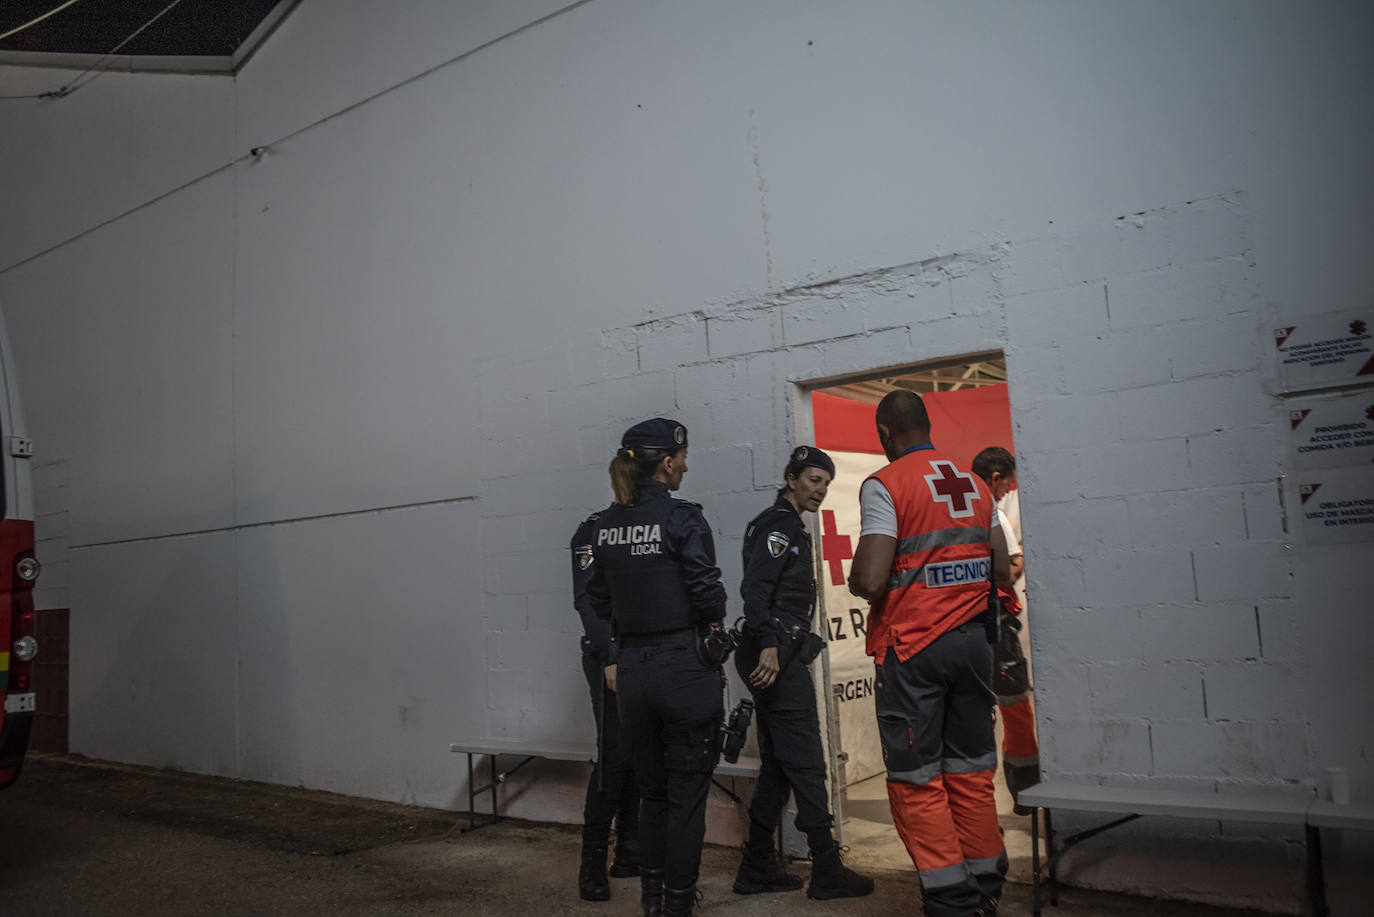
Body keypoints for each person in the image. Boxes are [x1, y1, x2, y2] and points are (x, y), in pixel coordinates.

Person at [847, 390, 1009, 917]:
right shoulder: (975, 484)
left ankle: (950, 901)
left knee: (918, 780)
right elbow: (1002, 572)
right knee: (971, 771)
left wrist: (860, 575)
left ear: (884, 435)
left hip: (915, 648)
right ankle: (985, 889)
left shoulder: (886, 484)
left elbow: (871, 579)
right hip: (973, 646)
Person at [586, 418, 728, 917]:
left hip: (633, 677)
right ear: (667, 463)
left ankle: (651, 902)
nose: (685, 465)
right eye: (682, 458)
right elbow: (708, 593)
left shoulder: (603, 526)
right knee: (687, 797)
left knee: (652, 794)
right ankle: (678, 904)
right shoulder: (683, 519)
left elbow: (598, 600)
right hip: (682, 670)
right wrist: (710, 623)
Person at [731, 446, 875, 900]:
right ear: (792, 478)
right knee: (809, 764)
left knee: (778, 765)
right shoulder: (779, 523)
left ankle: (755, 866)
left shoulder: (783, 523)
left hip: (778, 652)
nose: (821, 490)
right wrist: (771, 646)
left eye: (827, 484)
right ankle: (827, 868)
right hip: (776, 656)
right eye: (814, 480)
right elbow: (754, 589)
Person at [570, 508, 641, 900]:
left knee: (638, 754)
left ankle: (630, 852)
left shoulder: (642, 525)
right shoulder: (593, 530)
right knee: (613, 757)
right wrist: (611, 657)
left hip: (642, 655)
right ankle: (591, 866)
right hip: (607, 658)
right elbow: (587, 603)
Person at [970, 446, 1040, 815]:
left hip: (964, 628)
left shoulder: (958, 511)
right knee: (1015, 711)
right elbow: (1007, 573)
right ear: (995, 479)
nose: (1007, 491)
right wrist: (1028, 552)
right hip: (997, 628)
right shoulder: (992, 513)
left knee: (973, 715)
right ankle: (1026, 797)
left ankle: (976, 806)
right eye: (1007, 484)